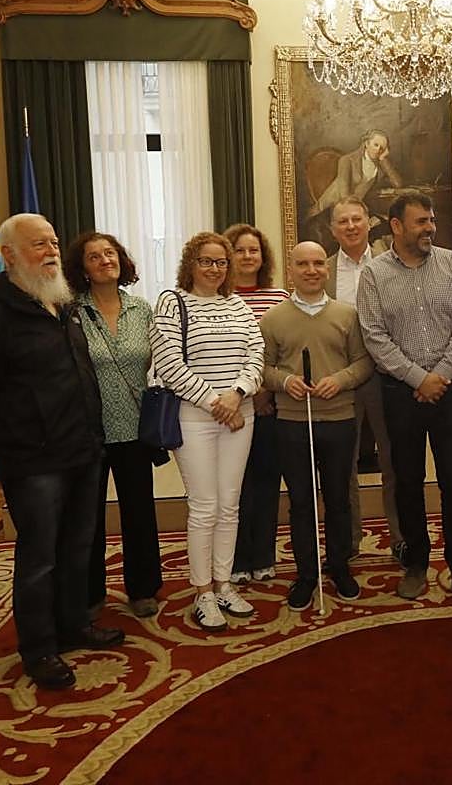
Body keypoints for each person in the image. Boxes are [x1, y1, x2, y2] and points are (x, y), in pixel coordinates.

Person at [0, 213, 123, 691]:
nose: (51, 251)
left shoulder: (63, 306)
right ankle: (39, 648)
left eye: (52, 242)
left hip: (83, 451)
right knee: (40, 558)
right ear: (8, 255)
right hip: (34, 465)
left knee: (77, 548)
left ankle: (75, 625)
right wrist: (8, 449)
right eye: (37, 245)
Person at [357, 190, 452, 606]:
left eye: (431, 220)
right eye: (421, 221)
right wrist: (417, 378)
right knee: (408, 481)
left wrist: (439, 376)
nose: (430, 227)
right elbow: (374, 336)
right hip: (399, 393)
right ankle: (416, 564)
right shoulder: (373, 274)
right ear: (396, 226)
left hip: (448, 390)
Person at [150, 232, 264, 633]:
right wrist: (216, 403)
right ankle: (201, 592)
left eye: (221, 262)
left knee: (230, 505)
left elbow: (256, 354)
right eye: (206, 261)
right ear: (190, 263)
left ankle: (223, 583)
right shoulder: (172, 302)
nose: (214, 269)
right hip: (195, 419)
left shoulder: (238, 305)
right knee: (204, 506)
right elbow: (168, 363)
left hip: (240, 415)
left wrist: (236, 395)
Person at [261, 241, 374, 608]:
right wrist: (284, 381)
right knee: (301, 502)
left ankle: (339, 566)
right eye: (302, 265)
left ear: (326, 270)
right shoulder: (273, 319)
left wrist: (340, 380)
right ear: (290, 271)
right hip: (293, 422)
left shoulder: (347, 315)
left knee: (339, 499)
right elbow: (261, 368)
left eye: (317, 264)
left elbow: (363, 363)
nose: (311, 270)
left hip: (339, 419)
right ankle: (306, 574)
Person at [63, 232, 162, 620]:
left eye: (110, 253)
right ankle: (90, 595)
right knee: (87, 517)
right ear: (82, 268)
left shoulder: (144, 310)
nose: (105, 260)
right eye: (94, 256)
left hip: (137, 429)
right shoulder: (70, 312)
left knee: (139, 513)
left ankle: (143, 590)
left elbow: (162, 364)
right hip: (89, 430)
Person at [324, 196, 402, 559]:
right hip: (342, 379)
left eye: (357, 219)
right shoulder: (321, 271)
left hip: (388, 376)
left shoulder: (393, 266)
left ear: (369, 223)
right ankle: (348, 542)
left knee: (396, 460)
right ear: (333, 229)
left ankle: (402, 538)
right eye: (343, 221)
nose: (351, 226)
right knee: (342, 465)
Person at [223, 224, 289, 586]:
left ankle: (263, 556)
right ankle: (236, 559)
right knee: (234, 487)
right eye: (240, 250)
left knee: (265, 484)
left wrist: (266, 394)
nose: (248, 257)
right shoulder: (216, 298)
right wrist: (244, 395)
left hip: (269, 407)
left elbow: (283, 354)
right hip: (230, 408)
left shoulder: (279, 297)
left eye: (254, 251)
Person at [307, 129, 403, 251]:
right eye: (376, 145)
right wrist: (364, 218)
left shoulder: (379, 165)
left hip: (355, 209)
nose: (378, 150)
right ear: (366, 143)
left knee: (385, 228)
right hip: (331, 209)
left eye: (382, 148)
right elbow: (344, 196)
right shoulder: (347, 160)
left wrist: (384, 159)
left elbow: (398, 183)